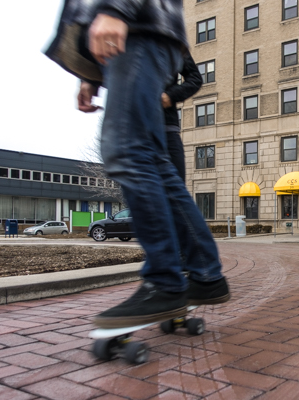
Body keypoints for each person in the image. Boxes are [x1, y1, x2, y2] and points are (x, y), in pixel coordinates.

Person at [45, 0, 229, 329]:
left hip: (139, 28)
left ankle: (167, 281)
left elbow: (193, 78)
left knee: (126, 152)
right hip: (133, 37)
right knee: (156, 170)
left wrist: (116, 8)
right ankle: (203, 274)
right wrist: (91, 75)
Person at [163, 51, 202, 182]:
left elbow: (195, 78)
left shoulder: (172, 40)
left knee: (177, 187)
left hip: (167, 128)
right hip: (135, 129)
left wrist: (170, 95)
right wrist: (95, 84)